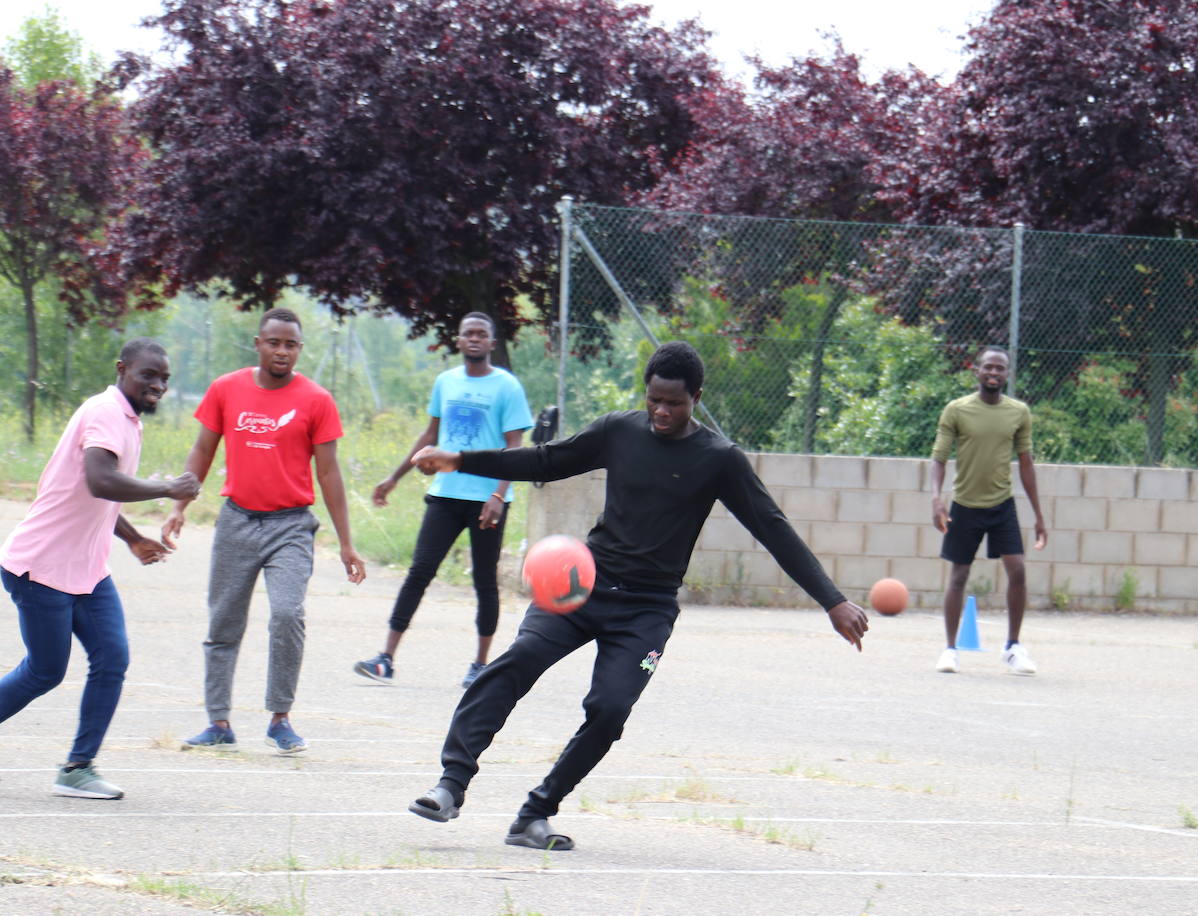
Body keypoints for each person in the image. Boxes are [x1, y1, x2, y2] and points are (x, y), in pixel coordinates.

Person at [404, 341, 869, 851]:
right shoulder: (618, 431)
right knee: (518, 660)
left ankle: (534, 814)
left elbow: (773, 528)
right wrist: (459, 459)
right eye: (654, 400)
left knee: (609, 708)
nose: (662, 412)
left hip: (646, 609)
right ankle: (451, 784)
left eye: (674, 403)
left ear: (696, 397)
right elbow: (546, 459)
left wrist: (832, 600)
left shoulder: (719, 459)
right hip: (582, 585)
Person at [0, 339, 200, 798]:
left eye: (164, 379)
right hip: (40, 566)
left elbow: (101, 493)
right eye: (148, 375)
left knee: (112, 658)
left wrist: (133, 539)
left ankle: (77, 768)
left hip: (86, 571)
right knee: (45, 671)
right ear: (121, 369)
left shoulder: (129, 420)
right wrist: (166, 487)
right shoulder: (105, 412)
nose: (157, 385)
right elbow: (100, 480)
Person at [163, 307, 367, 755]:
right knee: (223, 621)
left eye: (291, 344)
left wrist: (347, 544)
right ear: (258, 344)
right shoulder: (226, 389)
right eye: (273, 342)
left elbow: (330, 475)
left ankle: (280, 718)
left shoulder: (316, 400)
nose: (282, 351)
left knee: (287, 615)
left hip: (290, 526)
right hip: (236, 520)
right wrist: (180, 505)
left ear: (299, 349)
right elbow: (202, 450)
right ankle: (218, 722)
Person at [354, 312, 533, 688]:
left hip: (487, 498)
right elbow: (430, 435)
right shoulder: (445, 382)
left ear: (492, 342)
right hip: (445, 495)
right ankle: (386, 658)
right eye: (468, 333)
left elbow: (515, 449)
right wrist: (394, 477)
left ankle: (481, 665)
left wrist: (499, 494)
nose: (474, 339)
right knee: (419, 571)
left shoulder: (507, 387)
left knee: (485, 580)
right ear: (458, 339)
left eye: (481, 334)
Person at [929, 345, 1047, 676]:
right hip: (964, 505)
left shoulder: (1018, 412)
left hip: (1001, 505)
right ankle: (950, 650)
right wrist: (936, 498)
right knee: (959, 576)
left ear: (1007, 375)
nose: (994, 373)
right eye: (988, 367)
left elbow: (1026, 464)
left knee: (1018, 570)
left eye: (1000, 369)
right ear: (976, 371)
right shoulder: (957, 410)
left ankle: (1012, 647)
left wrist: (1039, 515)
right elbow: (938, 458)